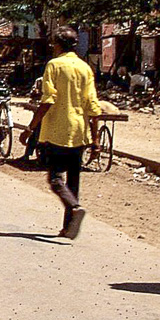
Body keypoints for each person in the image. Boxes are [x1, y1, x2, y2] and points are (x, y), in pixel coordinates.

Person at [19, 26, 101, 239]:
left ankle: (74, 208)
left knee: (56, 178)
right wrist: (96, 140)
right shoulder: (85, 68)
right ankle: (68, 227)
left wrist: (30, 128)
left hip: (57, 130)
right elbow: (93, 105)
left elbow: (48, 100)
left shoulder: (54, 65)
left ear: (56, 44)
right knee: (73, 180)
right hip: (79, 131)